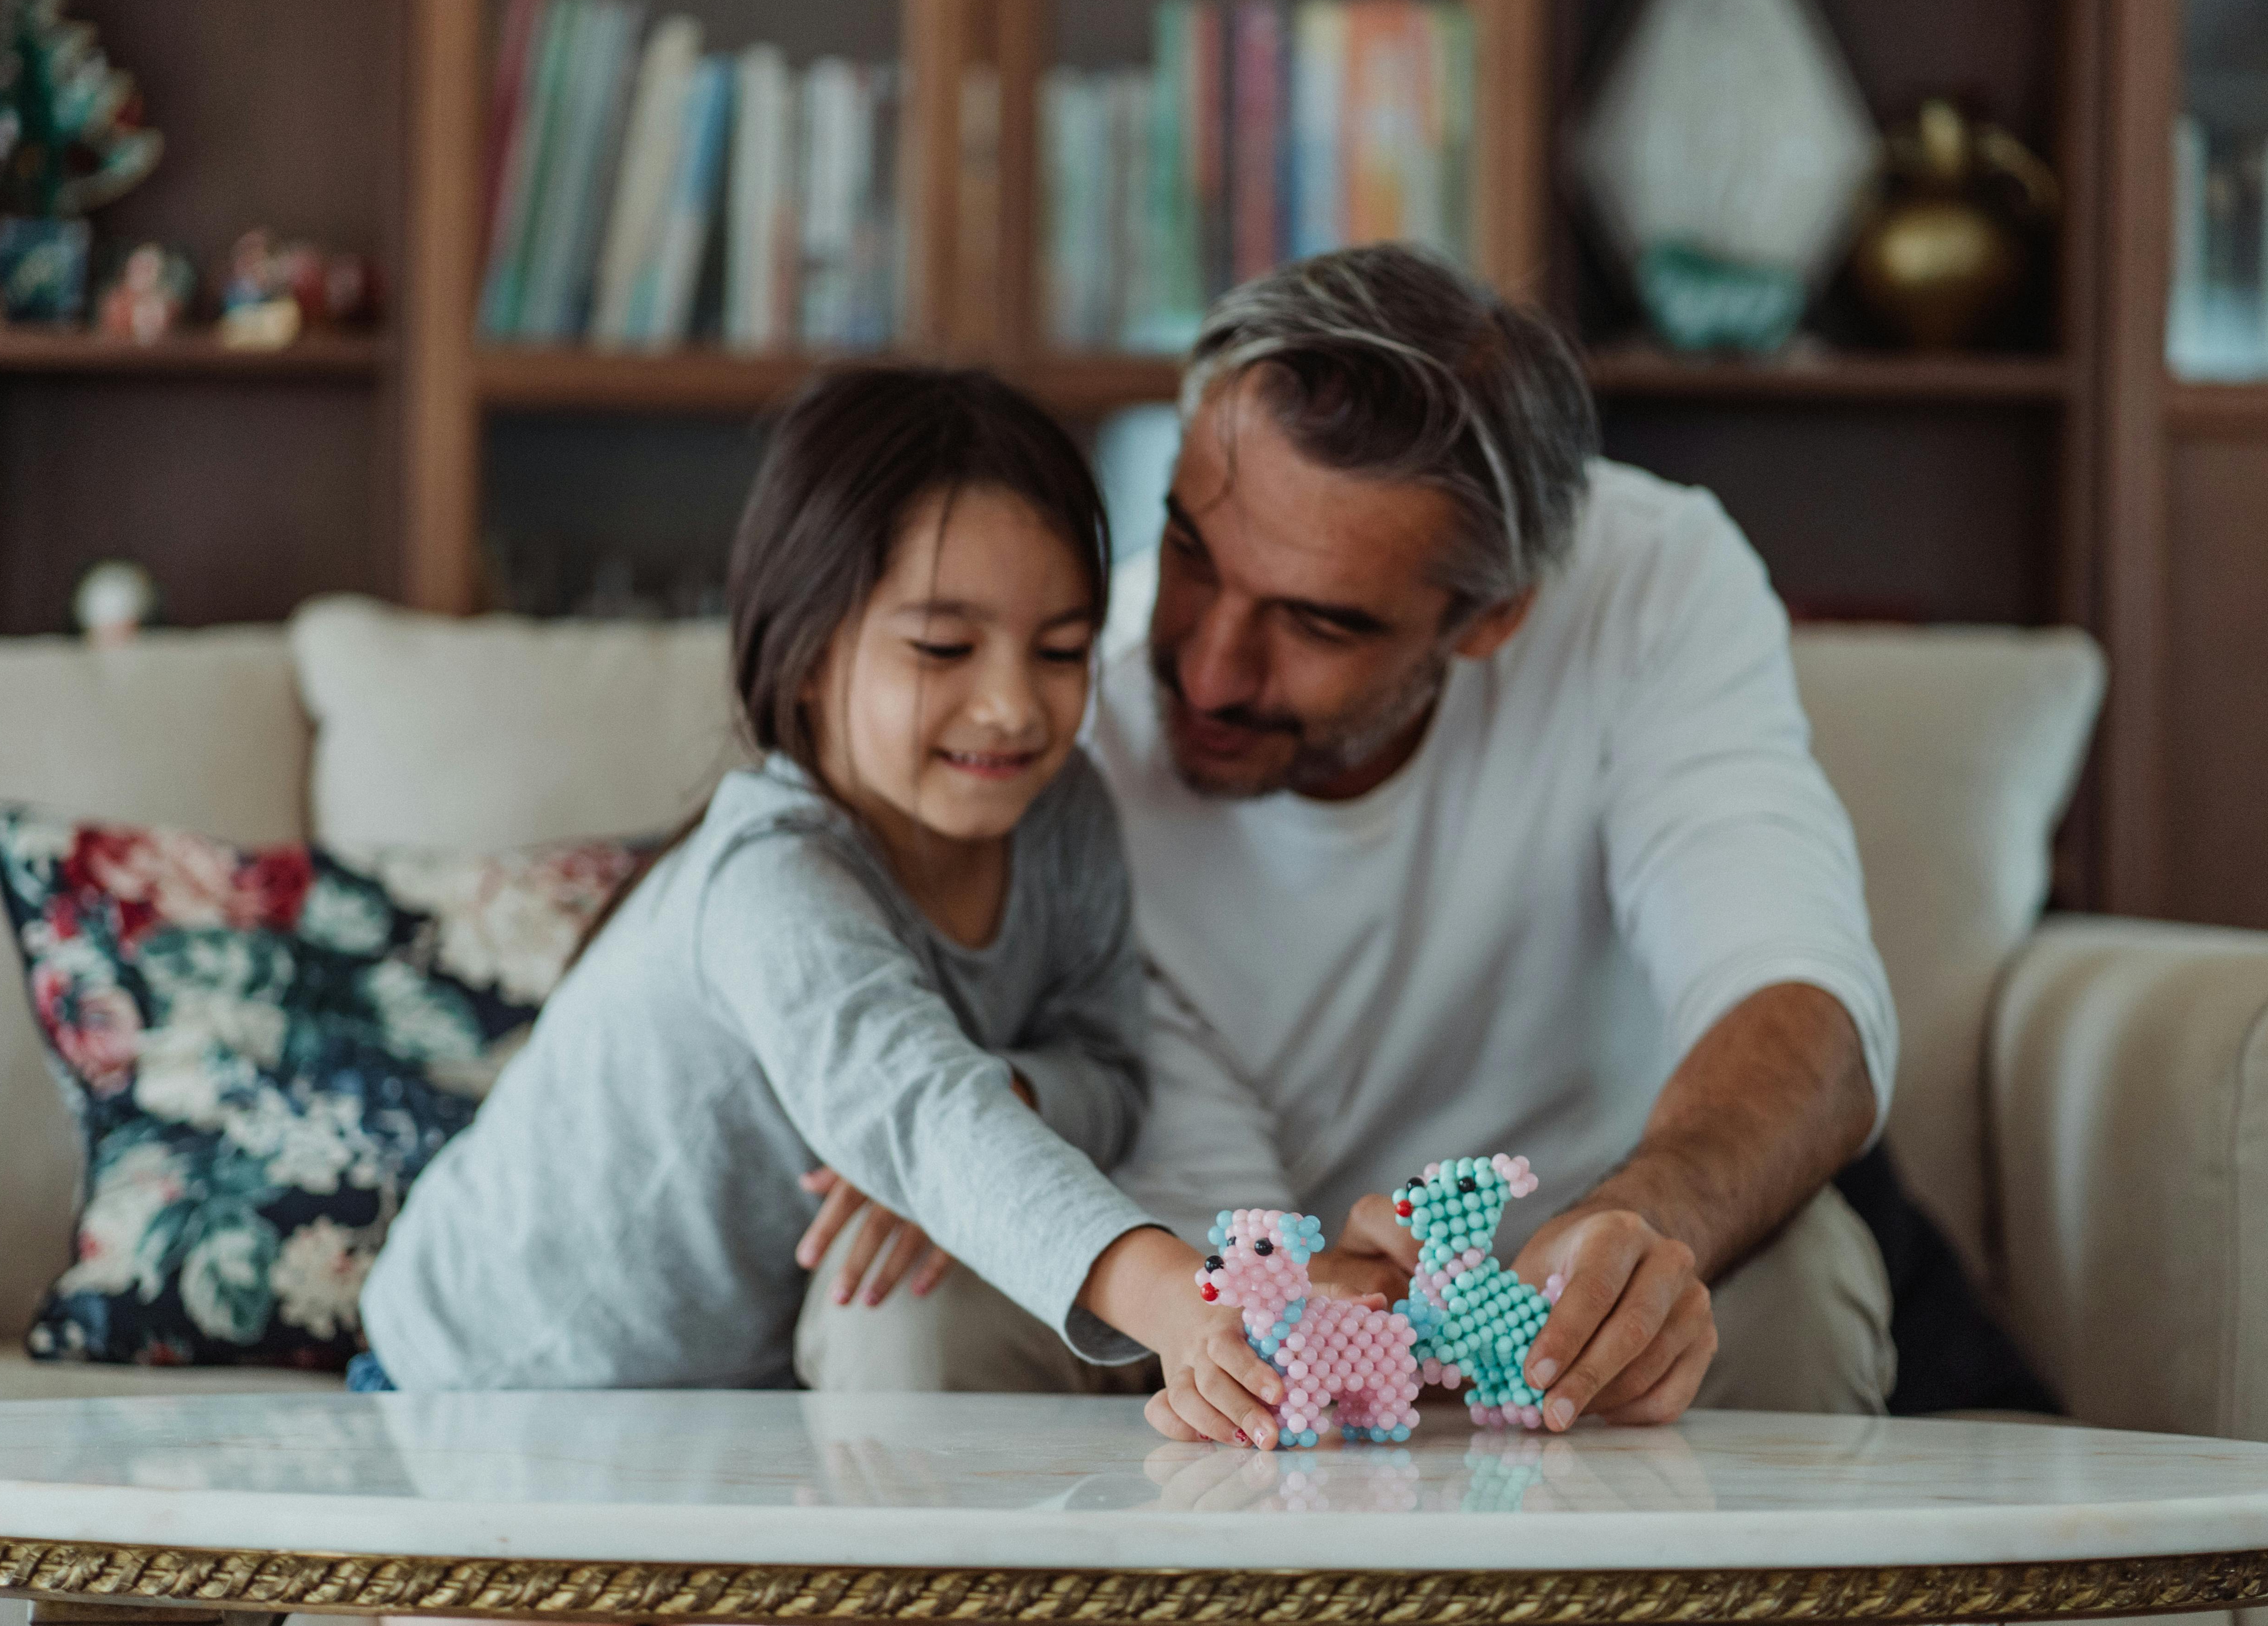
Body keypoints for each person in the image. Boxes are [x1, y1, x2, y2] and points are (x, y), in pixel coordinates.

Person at [796, 246, 1898, 1434]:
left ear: (1492, 616)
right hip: (1180, 1261)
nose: (1209, 671)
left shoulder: (1652, 584)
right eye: (1187, 554)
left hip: (1550, 1267)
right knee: (895, 1312)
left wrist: (1650, 1218)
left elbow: (1799, 1003)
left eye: (1316, 622)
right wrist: (1293, 1297)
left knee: (1802, 1285)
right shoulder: (1058, 718)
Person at [358, 366, 1303, 1447]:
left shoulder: (1065, 817)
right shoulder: (770, 883)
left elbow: (1106, 1070)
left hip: (736, 1398)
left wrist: (1000, 1097)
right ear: (807, 653)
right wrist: (1175, 1298)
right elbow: (926, 1117)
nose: (1011, 707)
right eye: (943, 649)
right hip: (482, 1385)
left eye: (1060, 651)